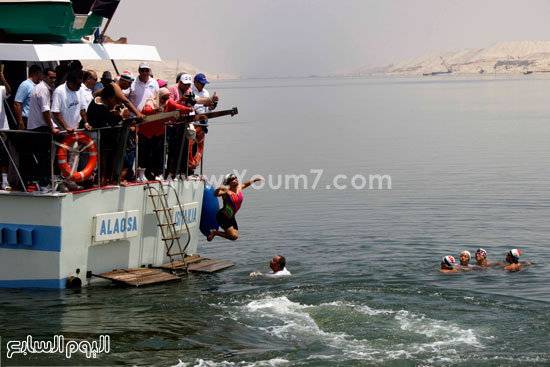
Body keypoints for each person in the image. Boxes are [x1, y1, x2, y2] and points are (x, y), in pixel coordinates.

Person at [51, 71, 89, 191]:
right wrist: (65, 126)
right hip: (61, 132)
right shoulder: (59, 91)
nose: (79, 87)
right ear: (70, 82)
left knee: (74, 155)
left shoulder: (80, 90)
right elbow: (55, 112)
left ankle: (71, 180)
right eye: (77, 84)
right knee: (60, 157)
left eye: (80, 84)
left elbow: (82, 109)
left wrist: (86, 122)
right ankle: (59, 182)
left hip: (74, 131)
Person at [86, 84, 127, 186]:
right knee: (104, 156)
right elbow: (112, 122)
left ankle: (104, 177)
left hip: (100, 135)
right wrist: (121, 115)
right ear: (109, 98)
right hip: (100, 137)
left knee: (105, 156)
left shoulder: (95, 101)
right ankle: (103, 178)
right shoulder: (101, 108)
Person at [26, 68, 58, 193]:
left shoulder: (40, 88)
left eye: (55, 78)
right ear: (44, 77)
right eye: (51, 77)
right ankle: (44, 183)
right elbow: (45, 110)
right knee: (43, 156)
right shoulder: (43, 89)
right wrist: (52, 127)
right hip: (40, 127)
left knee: (43, 156)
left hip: (38, 125)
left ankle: (47, 180)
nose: (53, 80)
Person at [207, 174, 265, 241]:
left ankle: (215, 233)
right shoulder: (226, 192)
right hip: (223, 216)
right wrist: (219, 188)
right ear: (229, 182)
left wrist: (255, 180)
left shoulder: (239, 188)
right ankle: (215, 232)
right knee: (233, 236)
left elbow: (245, 184)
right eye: (233, 179)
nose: (236, 179)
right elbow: (215, 194)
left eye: (236, 177)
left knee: (235, 236)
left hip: (231, 217)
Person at [14, 64, 42, 130]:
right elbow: (16, 104)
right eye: (41, 74)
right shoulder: (25, 85)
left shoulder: (38, 85)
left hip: (36, 121)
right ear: (37, 73)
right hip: (26, 120)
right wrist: (20, 122)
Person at [0, 71, 12, 190]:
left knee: (4, 154)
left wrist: (3, 79)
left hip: (2, 127)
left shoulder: (1, 89)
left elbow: (9, 91)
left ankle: (4, 181)